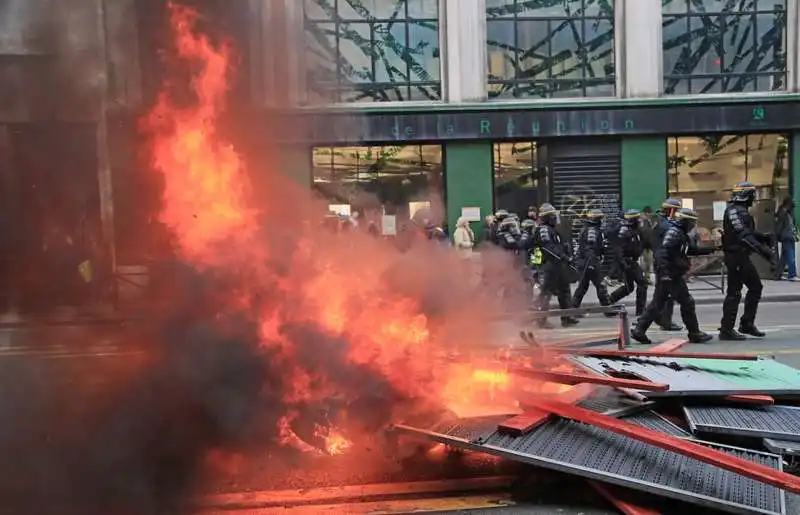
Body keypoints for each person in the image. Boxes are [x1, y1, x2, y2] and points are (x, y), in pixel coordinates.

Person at [632, 208, 714, 344]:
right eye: (692, 222)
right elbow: (662, 253)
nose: (693, 225)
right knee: (687, 302)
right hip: (670, 274)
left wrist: (712, 249)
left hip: (670, 273)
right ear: (685, 221)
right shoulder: (674, 232)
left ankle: (639, 330)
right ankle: (694, 333)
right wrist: (665, 273)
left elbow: (689, 250)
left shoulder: (679, 232)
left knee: (658, 303)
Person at [719, 181, 774, 341]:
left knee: (744, 290)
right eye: (752, 195)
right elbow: (744, 236)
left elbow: (747, 232)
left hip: (738, 256)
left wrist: (762, 237)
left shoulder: (737, 210)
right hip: (737, 257)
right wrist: (766, 252)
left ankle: (738, 325)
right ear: (746, 196)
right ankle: (733, 327)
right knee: (743, 290)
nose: (754, 199)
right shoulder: (737, 212)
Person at [531, 203, 579, 329]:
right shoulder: (543, 230)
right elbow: (549, 248)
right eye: (553, 216)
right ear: (547, 217)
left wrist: (567, 255)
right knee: (546, 293)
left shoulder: (553, 230)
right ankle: (541, 320)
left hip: (558, 265)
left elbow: (560, 245)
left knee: (564, 291)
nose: (555, 218)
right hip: (550, 266)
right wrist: (564, 257)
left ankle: (567, 317)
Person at [607, 209, 648, 316]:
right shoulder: (625, 231)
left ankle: (608, 303)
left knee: (629, 287)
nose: (640, 220)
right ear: (633, 220)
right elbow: (618, 248)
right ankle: (641, 311)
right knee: (642, 283)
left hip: (632, 261)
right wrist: (623, 263)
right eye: (638, 218)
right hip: (628, 261)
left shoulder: (637, 230)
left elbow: (644, 243)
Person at [651, 199, 683, 331]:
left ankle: (660, 319)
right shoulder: (666, 225)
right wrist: (665, 269)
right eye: (676, 211)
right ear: (671, 210)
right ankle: (662, 321)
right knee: (666, 295)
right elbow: (663, 248)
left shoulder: (658, 222)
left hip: (661, 263)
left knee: (661, 295)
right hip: (664, 264)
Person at [572, 209, 610, 308]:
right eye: (600, 218)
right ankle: (573, 308)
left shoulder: (591, 229)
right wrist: (592, 264)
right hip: (588, 262)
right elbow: (590, 249)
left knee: (587, 286)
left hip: (586, 262)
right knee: (595, 285)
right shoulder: (591, 231)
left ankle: (573, 308)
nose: (601, 221)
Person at [775, 196, 798, 281]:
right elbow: (781, 226)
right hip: (787, 237)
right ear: (788, 204)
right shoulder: (783, 213)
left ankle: (778, 274)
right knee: (791, 256)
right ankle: (792, 275)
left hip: (788, 237)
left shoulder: (786, 213)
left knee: (783, 258)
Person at [640, 206, 654, 280]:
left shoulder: (650, 221)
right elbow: (642, 231)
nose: (649, 215)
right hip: (643, 245)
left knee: (649, 261)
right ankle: (644, 276)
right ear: (645, 213)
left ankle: (647, 276)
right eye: (648, 213)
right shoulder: (641, 221)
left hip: (650, 245)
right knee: (644, 261)